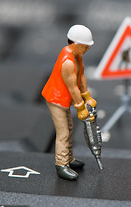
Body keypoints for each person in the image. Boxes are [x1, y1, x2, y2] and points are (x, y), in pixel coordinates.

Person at [41, 25, 96, 181]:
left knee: (70, 128)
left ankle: (69, 159)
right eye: (86, 46)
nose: (87, 49)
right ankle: (61, 164)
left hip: (64, 100)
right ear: (76, 43)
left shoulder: (78, 56)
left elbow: (82, 77)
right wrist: (80, 108)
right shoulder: (67, 62)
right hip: (56, 99)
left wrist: (87, 96)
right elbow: (72, 88)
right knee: (63, 132)